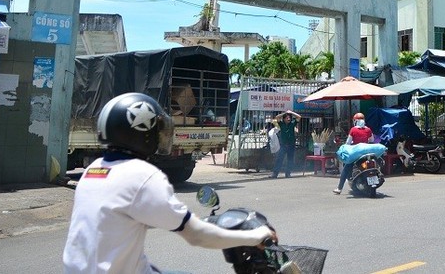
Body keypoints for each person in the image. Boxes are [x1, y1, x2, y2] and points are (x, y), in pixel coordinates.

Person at [63, 92, 276, 273]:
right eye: (157, 130)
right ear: (143, 132)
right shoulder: (142, 175)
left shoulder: (94, 170)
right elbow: (197, 236)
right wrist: (254, 236)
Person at [333, 112, 374, 195]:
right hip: (366, 153)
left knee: (346, 168)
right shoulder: (368, 129)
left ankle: (339, 188)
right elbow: (372, 140)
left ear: (355, 121)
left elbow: (348, 142)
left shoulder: (353, 130)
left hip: (356, 154)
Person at [270, 110, 302, 179]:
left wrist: (291, 113)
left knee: (290, 159)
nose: (288, 119)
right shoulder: (281, 124)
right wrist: (285, 113)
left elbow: (299, 117)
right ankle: (275, 174)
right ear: (284, 119)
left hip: (291, 145)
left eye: (289, 118)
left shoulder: (292, 124)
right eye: (287, 118)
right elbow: (277, 117)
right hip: (283, 145)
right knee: (279, 159)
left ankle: (288, 173)